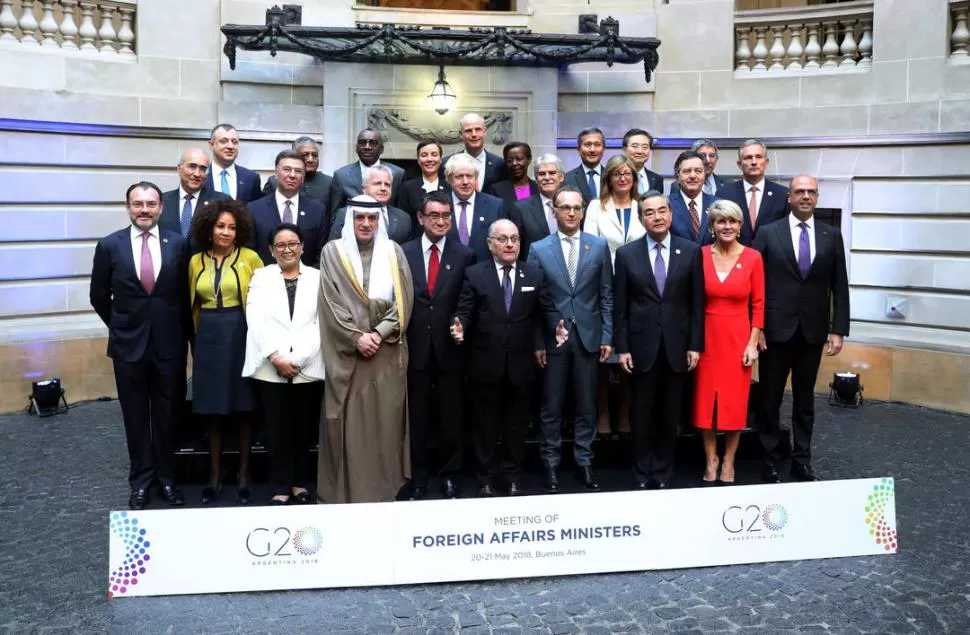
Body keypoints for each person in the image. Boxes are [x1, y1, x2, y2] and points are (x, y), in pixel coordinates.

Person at [90, 181, 190, 510]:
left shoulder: (178, 244)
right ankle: (141, 481)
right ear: (128, 207)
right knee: (135, 417)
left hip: (169, 346)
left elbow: (183, 296)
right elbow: (99, 296)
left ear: (161, 208)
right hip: (127, 346)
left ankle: (167, 478)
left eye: (150, 204)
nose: (144, 210)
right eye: (138, 204)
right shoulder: (109, 246)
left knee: (167, 415)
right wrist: (122, 326)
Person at [317, 195, 414, 503]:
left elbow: (405, 300)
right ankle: (347, 492)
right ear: (350, 220)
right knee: (347, 423)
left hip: (386, 351)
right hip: (347, 351)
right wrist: (357, 337)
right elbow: (330, 303)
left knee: (385, 422)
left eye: (372, 219)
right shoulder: (333, 253)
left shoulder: (393, 251)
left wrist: (379, 332)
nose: (366, 224)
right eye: (360, 218)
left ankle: (384, 491)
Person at [754, 175, 850, 483]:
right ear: (789, 198)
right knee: (770, 398)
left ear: (818, 197)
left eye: (811, 192)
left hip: (813, 331)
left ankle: (802, 459)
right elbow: (756, 285)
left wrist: (838, 329)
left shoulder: (831, 235)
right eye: (799, 192)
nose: (805, 196)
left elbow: (840, 285)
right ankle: (769, 458)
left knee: (805, 400)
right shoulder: (769, 233)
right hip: (775, 331)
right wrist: (757, 328)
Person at [614, 191, 704, 490]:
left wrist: (695, 344)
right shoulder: (626, 255)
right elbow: (621, 306)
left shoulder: (691, 251)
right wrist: (622, 348)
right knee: (641, 414)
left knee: (670, 414)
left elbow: (696, 304)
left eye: (662, 210)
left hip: (678, 346)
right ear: (642, 218)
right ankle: (641, 472)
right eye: (650, 212)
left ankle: (664, 472)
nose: (657, 216)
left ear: (671, 214)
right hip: (641, 348)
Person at [451, 219, 546, 497]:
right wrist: (458, 324)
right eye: (503, 239)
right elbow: (464, 310)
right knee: (485, 427)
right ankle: (485, 479)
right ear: (490, 244)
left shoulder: (533, 274)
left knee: (516, 428)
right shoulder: (474, 274)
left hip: (521, 364)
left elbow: (546, 311)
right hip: (484, 364)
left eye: (514, 239)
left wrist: (558, 326)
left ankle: (513, 477)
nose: (509, 244)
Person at [528, 186, 613, 493]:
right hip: (553, 340)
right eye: (565, 208)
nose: (572, 213)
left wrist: (606, 334)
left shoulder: (598, 246)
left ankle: (584, 461)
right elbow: (534, 303)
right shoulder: (538, 249)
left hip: (589, 337)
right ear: (554, 211)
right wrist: (538, 341)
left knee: (587, 405)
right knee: (551, 405)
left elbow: (606, 295)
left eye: (577, 208)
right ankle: (550, 462)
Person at [188, 198, 264, 505]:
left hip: (241, 335)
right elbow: (190, 304)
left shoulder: (251, 258)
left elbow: (262, 303)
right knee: (213, 411)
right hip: (207, 336)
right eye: (220, 226)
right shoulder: (195, 261)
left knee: (244, 408)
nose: (226, 232)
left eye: (232, 227)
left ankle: (244, 476)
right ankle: (214, 476)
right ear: (208, 228)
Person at [242, 223, 325, 505]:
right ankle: (279, 485)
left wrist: (298, 359)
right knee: (276, 430)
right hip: (270, 366)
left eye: (293, 243)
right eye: (280, 245)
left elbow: (321, 323)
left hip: (308, 366)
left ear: (302, 246)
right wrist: (276, 357)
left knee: (303, 429)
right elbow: (255, 320)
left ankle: (300, 484)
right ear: (271, 250)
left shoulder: (318, 277)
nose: (287, 249)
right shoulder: (261, 277)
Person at [402, 191, 475, 500]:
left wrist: (462, 321)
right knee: (415, 417)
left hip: (450, 348)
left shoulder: (464, 254)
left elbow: (468, 299)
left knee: (451, 416)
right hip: (414, 347)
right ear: (420, 218)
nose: (441, 221)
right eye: (434, 216)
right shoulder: (402, 253)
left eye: (446, 216)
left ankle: (450, 475)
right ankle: (417, 476)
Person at [692, 200, 764, 485]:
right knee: (705, 402)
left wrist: (752, 343)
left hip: (738, 339)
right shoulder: (698, 256)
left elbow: (758, 304)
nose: (727, 226)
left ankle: (729, 460)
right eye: (721, 221)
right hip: (707, 338)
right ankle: (711, 458)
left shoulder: (753, 257)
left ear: (740, 226)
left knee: (734, 403)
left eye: (732, 221)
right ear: (712, 226)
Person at [582, 154, 645, 437]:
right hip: (604, 288)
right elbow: (590, 246)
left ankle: (625, 413)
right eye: (617, 173)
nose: (622, 178)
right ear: (608, 178)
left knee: (630, 354)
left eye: (628, 173)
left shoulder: (642, 207)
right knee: (604, 356)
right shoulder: (596, 206)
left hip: (639, 289)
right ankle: (604, 412)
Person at [248, 149, 329, 267]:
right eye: (287, 169)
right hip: (265, 281)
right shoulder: (254, 209)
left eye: (298, 171)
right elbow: (250, 252)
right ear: (276, 172)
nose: (292, 175)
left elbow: (321, 253)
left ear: (303, 176)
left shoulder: (318, 211)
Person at [718, 139, 789, 246]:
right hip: (735, 257)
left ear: (766, 162)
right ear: (739, 164)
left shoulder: (783, 194)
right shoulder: (724, 194)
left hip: (771, 259)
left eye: (759, 157)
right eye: (748, 158)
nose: (754, 162)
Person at [159, 148, 229, 248]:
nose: (197, 174)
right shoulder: (160, 201)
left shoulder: (221, 201)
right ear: (179, 169)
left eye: (202, 169)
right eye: (192, 166)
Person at [444, 153, 506, 262]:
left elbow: (502, 243)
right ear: (449, 179)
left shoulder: (495, 205)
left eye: (469, 176)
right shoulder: (439, 204)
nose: (465, 182)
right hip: (448, 271)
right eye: (459, 176)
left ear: (476, 177)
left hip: (483, 272)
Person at [328, 164, 412, 243]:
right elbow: (333, 249)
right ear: (364, 188)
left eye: (387, 184)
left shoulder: (403, 218)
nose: (383, 188)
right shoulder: (345, 214)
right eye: (377, 183)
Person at [329, 128, 405, 212]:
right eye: (362, 142)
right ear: (356, 148)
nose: (367, 147)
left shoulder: (397, 173)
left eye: (373, 143)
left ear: (382, 149)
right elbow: (335, 215)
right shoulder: (341, 176)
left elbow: (400, 213)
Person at [509, 153, 566, 260]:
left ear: (561, 177)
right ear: (536, 178)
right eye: (542, 174)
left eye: (552, 173)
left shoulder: (573, 205)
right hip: (534, 270)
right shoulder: (521, 208)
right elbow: (516, 246)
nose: (547, 177)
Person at [261, 136, 333, 211]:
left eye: (314, 155)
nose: (310, 159)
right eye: (305, 155)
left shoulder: (329, 183)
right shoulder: (275, 182)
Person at [442, 112, 508, 192]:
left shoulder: (499, 164)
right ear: (461, 134)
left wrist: (523, 195)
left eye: (478, 129)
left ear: (484, 132)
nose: (474, 134)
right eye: (468, 131)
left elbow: (506, 192)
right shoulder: (446, 163)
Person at [204, 123, 263, 204]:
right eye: (224, 141)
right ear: (211, 145)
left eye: (234, 142)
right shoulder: (201, 176)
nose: (230, 146)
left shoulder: (251, 178)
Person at [669, 151, 718, 246]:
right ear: (678, 176)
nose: (692, 176)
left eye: (698, 171)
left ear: (704, 176)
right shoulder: (666, 205)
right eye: (687, 171)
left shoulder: (717, 204)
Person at [398, 139, 451, 227]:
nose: (429, 159)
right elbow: (404, 221)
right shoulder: (407, 188)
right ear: (418, 160)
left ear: (441, 159)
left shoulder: (450, 186)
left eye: (434, 155)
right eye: (424, 155)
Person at [486, 141, 538, 214]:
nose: (514, 163)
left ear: (529, 159)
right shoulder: (496, 189)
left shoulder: (539, 188)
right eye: (509, 160)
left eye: (519, 159)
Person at [563, 127, 606, 208]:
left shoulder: (612, 177)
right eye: (587, 144)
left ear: (603, 150)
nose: (592, 150)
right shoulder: (567, 179)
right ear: (578, 150)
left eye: (597, 145)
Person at [622, 128, 663, 195]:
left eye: (645, 147)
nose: (640, 151)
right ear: (624, 149)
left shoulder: (657, 179)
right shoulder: (614, 176)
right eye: (635, 146)